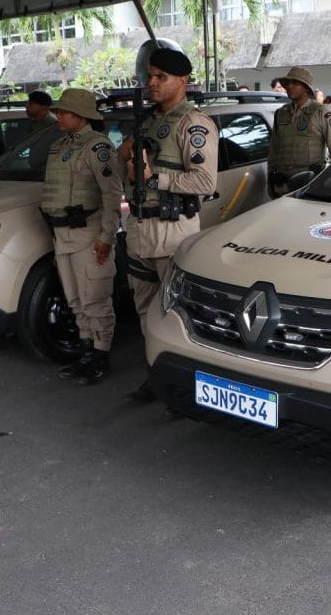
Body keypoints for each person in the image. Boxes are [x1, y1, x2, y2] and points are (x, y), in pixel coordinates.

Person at [119, 47, 218, 407]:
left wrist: (154, 178)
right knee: (145, 310)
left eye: (160, 76)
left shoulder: (194, 124)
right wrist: (126, 158)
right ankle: (155, 377)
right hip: (141, 229)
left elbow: (204, 182)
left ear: (182, 80)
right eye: (149, 76)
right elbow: (126, 177)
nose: (152, 83)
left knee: (176, 316)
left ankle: (185, 388)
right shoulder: (147, 122)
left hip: (173, 230)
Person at [40, 88, 123, 386]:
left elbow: (112, 195)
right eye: (58, 111)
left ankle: (100, 357)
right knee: (75, 300)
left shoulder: (97, 147)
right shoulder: (61, 145)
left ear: (81, 115)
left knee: (95, 300)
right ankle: (86, 352)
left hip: (89, 233)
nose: (58, 116)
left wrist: (106, 237)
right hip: (62, 234)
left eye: (64, 112)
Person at [266, 66, 331, 197]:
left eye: (295, 83)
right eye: (288, 83)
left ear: (306, 88)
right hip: (282, 185)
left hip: (309, 184)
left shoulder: (321, 112)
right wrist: (270, 181)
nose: (290, 87)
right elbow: (274, 149)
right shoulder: (281, 113)